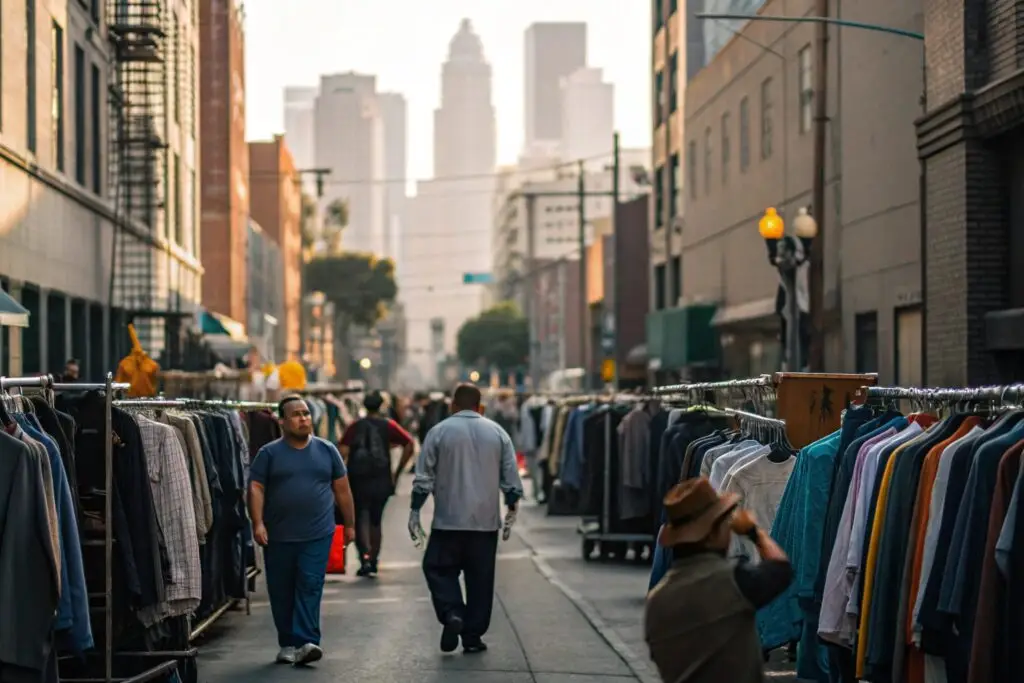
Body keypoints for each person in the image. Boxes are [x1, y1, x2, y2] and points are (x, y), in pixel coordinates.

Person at [409, 383, 524, 654]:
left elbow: (423, 480)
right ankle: (473, 637)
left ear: (452, 405)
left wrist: (415, 511)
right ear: (480, 406)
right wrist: (510, 510)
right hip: (485, 524)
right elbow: (512, 481)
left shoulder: (438, 432)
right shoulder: (498, 433)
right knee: (481, 580)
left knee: (437, 568)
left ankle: (452, 613)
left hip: (448, 520)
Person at [644, 478, 793, 683]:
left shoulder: (657, 599)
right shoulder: (732, 580)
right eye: (725, 525)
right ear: (711, 534)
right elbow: (781, 570)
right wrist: (754, 532)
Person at [249, 395, 356, 666]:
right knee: (281, 589)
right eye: (296, 414)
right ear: (282, 421)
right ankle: (287, 642)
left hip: (318, 533)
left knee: (310, 585)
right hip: (279, 535)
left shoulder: (327, 450)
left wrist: (350, 524)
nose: (303, 419)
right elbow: (256, 488)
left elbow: (342, 488)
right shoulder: (269, 453)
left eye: (306, 413)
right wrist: (258, 522)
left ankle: (307, 641)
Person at [338, 390, 415, 577]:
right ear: (381, 406)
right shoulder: (388, 425)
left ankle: (363, 557)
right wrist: (398, 471)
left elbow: (342, 451)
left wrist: (341, 476)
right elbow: (409, 443)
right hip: (381, 477)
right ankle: (374, 559)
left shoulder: (354, 426)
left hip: (358, 477)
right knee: (376, 520)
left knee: (360, 517)